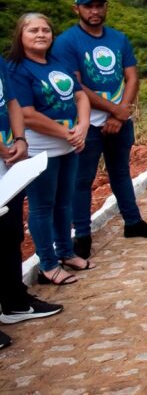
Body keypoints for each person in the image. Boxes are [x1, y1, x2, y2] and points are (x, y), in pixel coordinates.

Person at [52, 0, 147, 259]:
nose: (94, 11)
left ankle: (133, 221)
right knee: (83, 179)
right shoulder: (66, 42)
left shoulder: (118, 38)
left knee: (121, 172)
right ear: (76, 9)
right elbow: (76, 86)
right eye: (88, 6)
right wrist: (116, 111)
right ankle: (82, 234)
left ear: (106, 7)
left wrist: (119, 114)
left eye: (99, 5)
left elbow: (132, 77)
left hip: (119, 119)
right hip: (87, 122)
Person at [7, 13, 91, 285]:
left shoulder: (58, 62)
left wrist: (83, 127)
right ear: (20, 35)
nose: (41, 34)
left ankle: (66, 252)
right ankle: (48, 263)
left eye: (45, 30)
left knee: (64, 202)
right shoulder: (17, 69)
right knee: (42, 207)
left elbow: (80, 95)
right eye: (33, 30)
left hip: (68, 146)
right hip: (40, 149)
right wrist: (68, 134)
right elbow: (26, 114)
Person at [0, 57, 63, 349]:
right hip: (4, 152)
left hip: (9, 159)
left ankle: (15, 302)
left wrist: (20, 139)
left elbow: (12, 101)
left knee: (9, 232)